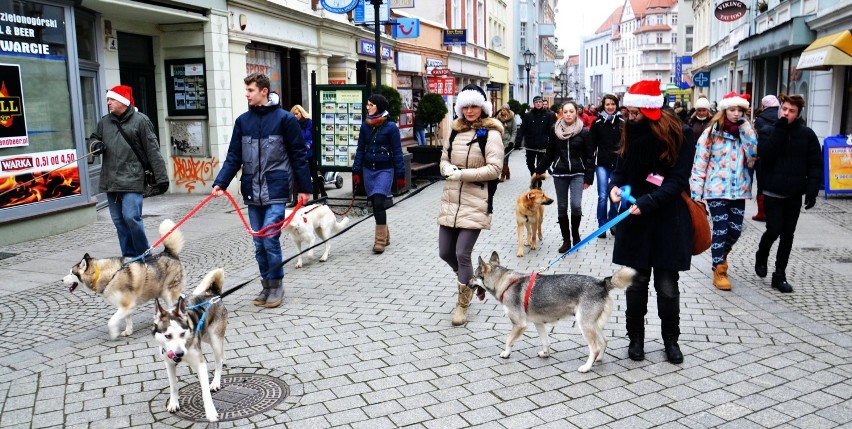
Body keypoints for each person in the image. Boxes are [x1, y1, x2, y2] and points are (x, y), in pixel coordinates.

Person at [609, 80, 695, 364]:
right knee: (636, 283)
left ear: (651, 111)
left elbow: (677, 181)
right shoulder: (630, 132)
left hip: (668, 217)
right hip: (635, 219)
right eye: (628, 113)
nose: (630, 118)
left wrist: (647, 203)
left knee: (667, 285)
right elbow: (620, 169)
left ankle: (671, 340)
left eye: (635, 113)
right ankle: (635, 339)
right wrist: (614, 185)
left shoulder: (680, 134)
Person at [212, 73, 313, 309]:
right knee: (258, 242)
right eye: (246, 90)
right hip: (252, 190)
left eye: (250, 90)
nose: (246, 95)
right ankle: (266, 284)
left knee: (269, 238)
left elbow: (299, 156)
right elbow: (234, 157)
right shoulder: (242, 121)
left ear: (264, 91)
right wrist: (221, 182)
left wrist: (304, 189)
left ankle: (277, 285)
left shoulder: (285, 120)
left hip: (276, 189)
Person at [438, 84, 504, 326]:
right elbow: (444, 158)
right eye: (465, 106)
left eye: (474, 105)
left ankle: (462, 306)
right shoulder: (454, 131)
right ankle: (471, 281)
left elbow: (495, 169)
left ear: (483, 107)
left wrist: (462, 174)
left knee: (461, 253)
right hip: (451, 200)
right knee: (445, 252)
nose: (469, 110)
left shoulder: (492, 133)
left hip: (476, 201)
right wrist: (445, 168)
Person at [90, 84, 169, 259]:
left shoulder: (141, 121)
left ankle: (144, 256)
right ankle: (129, 257)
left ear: (122, 101)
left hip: (133, 179)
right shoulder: (104, 122)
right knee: (119, 222)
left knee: (131, 217)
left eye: (111, 99)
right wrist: (96, 145)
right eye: (108, 100)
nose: (108, 102)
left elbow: (153, 150)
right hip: (111, 180)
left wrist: (162, 178)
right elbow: (94, 138)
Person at [690, 92, 758, 291]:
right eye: (732, 110)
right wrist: (697, 193)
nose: (736, 114)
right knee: (721, 228)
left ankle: (721, 255)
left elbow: (754, 155)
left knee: (735, 231)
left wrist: (746, 130)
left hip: (739, 190)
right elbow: (700, 162)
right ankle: (719, 270)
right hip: (716, 190)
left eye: (740, 110)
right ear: (724, 111)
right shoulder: (711, 133)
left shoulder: (746, 132)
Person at [754, 94, 822, 293]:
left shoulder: (807, 135)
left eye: (791, 111)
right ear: (779, 110)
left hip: (793, 194)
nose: (786, 113)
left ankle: (779, 275)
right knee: (774, 229)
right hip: (772, 191)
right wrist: (780, 130)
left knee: (787, 235)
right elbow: (765, 154)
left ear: (798, 113)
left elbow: (815, 164)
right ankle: (762, 253)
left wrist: (811, 190)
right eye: (784, 109)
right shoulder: (768, 131)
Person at [534, 101, 594, 252]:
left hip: (577, 173)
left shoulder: (584, 132)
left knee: (576, 205)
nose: (568, 114)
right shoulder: (555, 130)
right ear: (561, 113)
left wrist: (588, 178)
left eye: (571, 111)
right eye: (565, 112)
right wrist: (538, 170)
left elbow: (589, 156)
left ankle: (575, 233)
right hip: (560, 173)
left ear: (576, 113)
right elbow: (549, 152)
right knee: (562, 206)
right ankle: (566, 240)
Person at [352, 94, 406, 254]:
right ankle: (385, 235)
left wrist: (401, 174)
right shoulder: (365, 126)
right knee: (375, 205)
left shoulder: (391, 127)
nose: (367, 107)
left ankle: (380, 241)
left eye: (371, 105)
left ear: (379, 107)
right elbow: (360, 149)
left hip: (385, 169)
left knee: (378, 202)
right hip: (369, 170)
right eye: (367, 105)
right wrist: (355, 170)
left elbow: (397, 151)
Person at [588, 94, 625, 238]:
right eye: (607, 104)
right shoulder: (597, 123)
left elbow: (626, 144)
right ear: (603, 105)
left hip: (618, 165)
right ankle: (602, 225)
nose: (610, 107)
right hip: (602, 164)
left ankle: (613, 223)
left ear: (616, 105)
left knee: (614, 195)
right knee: (603, 195)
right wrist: (589, 164)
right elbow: (591, 145)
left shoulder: (622, 122)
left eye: (613, 104)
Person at [751, 95, 780, 222]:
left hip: (763, 156)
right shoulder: (782, 116)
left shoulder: (760, 119)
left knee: (762, 184)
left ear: (764, 105)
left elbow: (756, 139)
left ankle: (762, 212)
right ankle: (776, 213)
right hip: (779, 156)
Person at [291, 104, 326, 199]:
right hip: (299, 152)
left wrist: (309, 143)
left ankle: (322, 193)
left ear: (301, 113)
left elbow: (314, 136)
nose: (295, 116)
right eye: (293, 114)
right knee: (296, 175)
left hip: (310, 152)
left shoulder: (309, 122)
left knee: (313, 173)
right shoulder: (293, 124)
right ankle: (295, 199)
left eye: (297, 113)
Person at [515, 95, 555, 176]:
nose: (538, 104)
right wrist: (518, 141)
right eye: (536, 102)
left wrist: (552, 143)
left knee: (540, 165)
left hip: (542, 145)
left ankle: (538, 182)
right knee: (530, 164)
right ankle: (534, 176)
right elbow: (522, 128)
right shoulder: (528, 115)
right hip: (530, 145)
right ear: (534, 104)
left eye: (540, 102)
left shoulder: (548, 115)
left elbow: (551, 130)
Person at [495, 103, 516, 181]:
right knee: (501, 158)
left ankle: (502, 175)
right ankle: (507, 173)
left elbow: (514, 131)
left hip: (508, 141)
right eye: (502, 109)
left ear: (507, 111)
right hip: (499, 140)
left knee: (505, 158)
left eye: (504, 110)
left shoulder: (512, 119)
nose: (502, 111)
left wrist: (512, 141)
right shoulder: (498, 118)